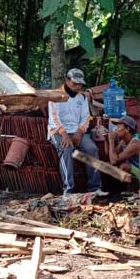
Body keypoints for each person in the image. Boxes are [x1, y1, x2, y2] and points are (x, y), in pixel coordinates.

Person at [47, 68, 106, 196]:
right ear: (67, 81)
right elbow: (54, 118)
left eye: (80, 84)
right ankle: (68, 189)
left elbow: (85, 118)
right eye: (75, 83)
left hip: (77, 130)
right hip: (57, 131)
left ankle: (95, 188)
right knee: (66, 148)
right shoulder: (55, 96)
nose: (78, 86)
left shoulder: (83, 98)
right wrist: (64, 135)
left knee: (92, 149)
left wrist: (79, 132)